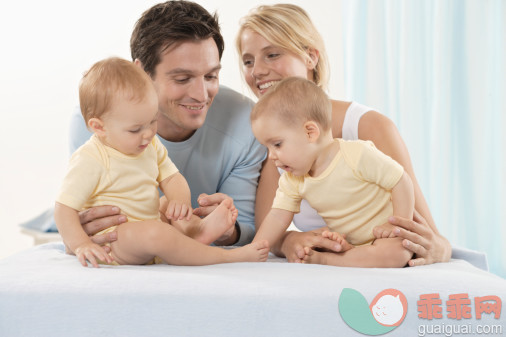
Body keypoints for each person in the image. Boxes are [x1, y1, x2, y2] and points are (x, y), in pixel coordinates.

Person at [236, 4, 451, 266]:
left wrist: (440, 248)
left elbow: (420, 225)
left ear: (310, 57)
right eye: (248, 61)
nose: (257, 70)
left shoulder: (366, 127)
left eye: (272, 54)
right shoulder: (277, 145)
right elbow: (270, 227)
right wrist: (291, 241)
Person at [69, 1, 267, 248]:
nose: (200, 94)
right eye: (182, 78)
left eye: (210, 76)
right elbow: (84, 212)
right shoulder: (99, 120)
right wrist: (81, 229)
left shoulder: (247, 122)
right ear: (141, 72)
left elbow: (248, 226)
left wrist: (229, 230)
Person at [55, 57, 269, 267]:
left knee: (166, 204)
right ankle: (226, 256)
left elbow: (173, 178)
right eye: (135, 129)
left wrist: (180, 201)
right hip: (115, 239)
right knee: (156, 232)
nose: (148, 134)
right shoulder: (91, 158)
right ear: (99, 127)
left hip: (147, 224)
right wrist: (81, 244)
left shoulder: (149, 145)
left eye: (152, 121)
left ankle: (195, 232)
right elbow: (64, 209)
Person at [251, 77, 413, 267]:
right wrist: (254, 249)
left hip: (384, 237)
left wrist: (397, 225)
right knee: (324, 241)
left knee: (397, 253)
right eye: (267, 147)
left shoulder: (356, 155)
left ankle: (326, 260)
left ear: (310, 132)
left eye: (277, 144)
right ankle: (342, 256)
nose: (271, 156)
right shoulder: (293, 179)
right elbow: (278, 216)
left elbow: (401, 180)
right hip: (349, 243)